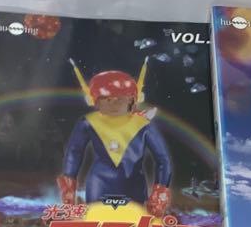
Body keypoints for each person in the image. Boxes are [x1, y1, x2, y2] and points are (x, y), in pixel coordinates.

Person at [59, 60, 172, 213]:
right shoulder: (88, 122)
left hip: (133, 185)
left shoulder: (143, 124)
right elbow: (74, 152)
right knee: (97, 221)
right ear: (94, 100)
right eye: (107, 99)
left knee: (134, 222)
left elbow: (163, 159)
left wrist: (160, 191)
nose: (114, 104)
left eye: (120, 98)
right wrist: (68, 184)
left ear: (133, 99)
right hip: (100, 184)